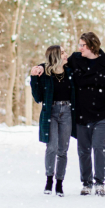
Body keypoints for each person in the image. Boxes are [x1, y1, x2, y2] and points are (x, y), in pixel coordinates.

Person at [31, 32, 105, 197]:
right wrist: (39, 69)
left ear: (92, 46)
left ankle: (98, 182)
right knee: (80, 150)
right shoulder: (75, 60)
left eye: (82, 45)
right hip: (79, 114)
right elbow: (53, 63)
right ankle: (84, 183)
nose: (78, 48)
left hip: (99, 114)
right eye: (79, 45)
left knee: (97, 147)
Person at [30, 45, 77, 197]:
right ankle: (49, 180)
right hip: (51, 112)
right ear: (55, 56)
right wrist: (33, 77)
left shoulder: (70, 71)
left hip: (67, 112)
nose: (66, 55)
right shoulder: (45, 74)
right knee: (52, 147)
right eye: (63, 53)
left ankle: (59, 183)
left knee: (63, 150)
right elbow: (38, 98)